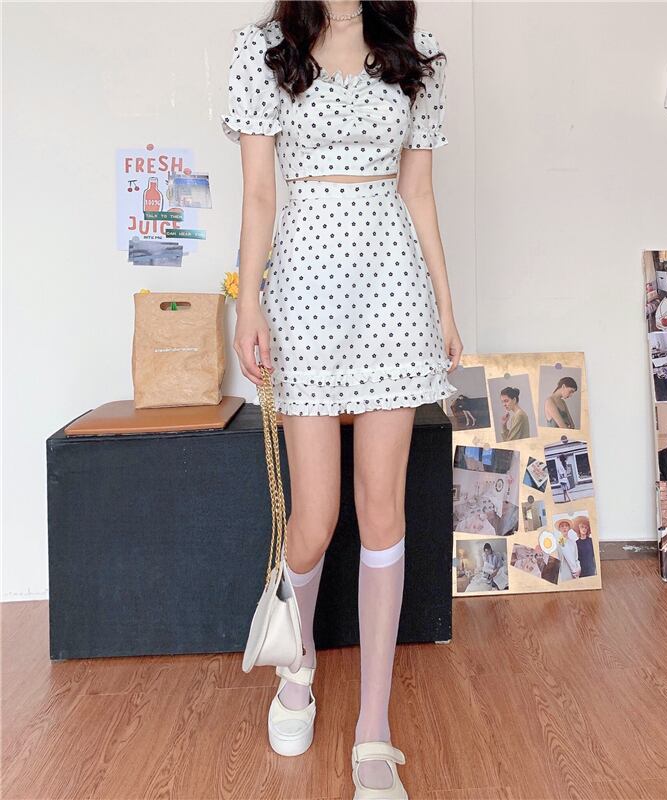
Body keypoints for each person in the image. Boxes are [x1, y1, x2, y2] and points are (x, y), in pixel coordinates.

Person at [223, 3, 462, 795]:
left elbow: (418, 191)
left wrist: (444, 305)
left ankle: (373, 731)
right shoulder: (263, 50)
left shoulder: (415, 50)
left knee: (383, 510)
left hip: (392, 288)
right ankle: (297, 670)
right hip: (304, 287)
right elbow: (261, 194)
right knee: (316, 518)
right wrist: (249, 305)